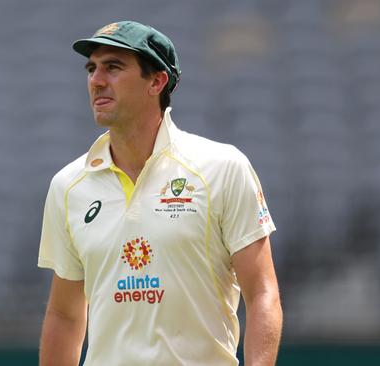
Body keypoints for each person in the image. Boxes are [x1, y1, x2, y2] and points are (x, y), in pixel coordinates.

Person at [37, 20, 282, 366]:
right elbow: (64, 314)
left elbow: (262, 293)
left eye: (113, 67)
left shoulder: (223, 167)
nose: (96, 80)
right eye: (91, 68)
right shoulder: (68, 186)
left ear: (156, 80)